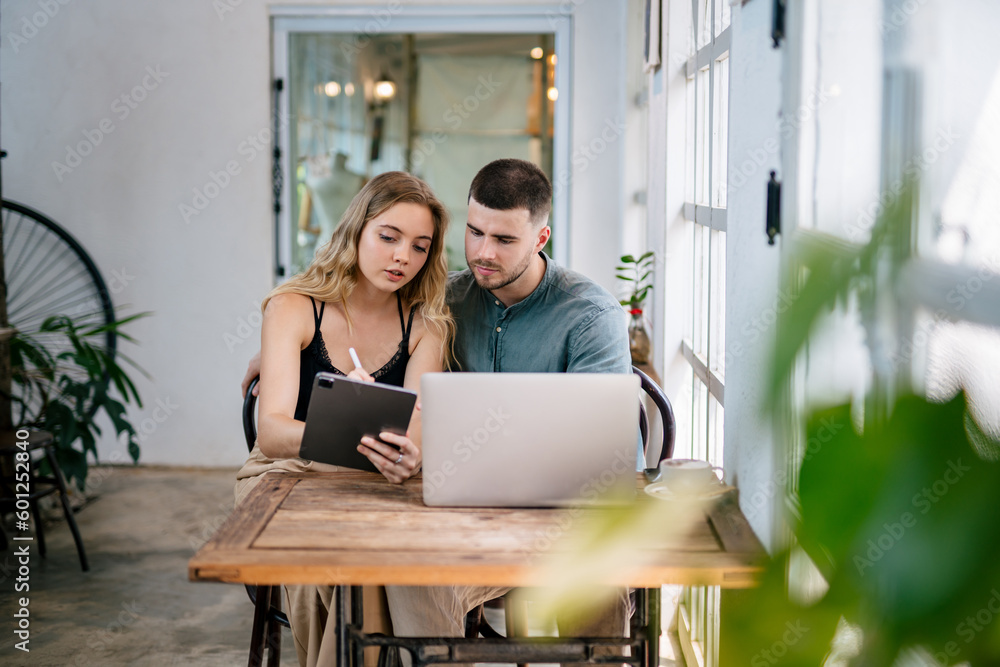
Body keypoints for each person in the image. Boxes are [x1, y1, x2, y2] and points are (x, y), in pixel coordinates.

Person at [242, 158, 632, 660]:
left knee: (596, 570)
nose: (484, 253)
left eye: (505, 240)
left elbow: (606, 451)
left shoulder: (588, 317)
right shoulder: (447, 301)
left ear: (541, 238)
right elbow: (396, 378)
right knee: (409, 571)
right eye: (474, 233)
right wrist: (282, 354)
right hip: (450, 497)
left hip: (553, 508)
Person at [235, 170, 453, 667]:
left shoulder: (426, 325)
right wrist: (350, 425)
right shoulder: (294, 306)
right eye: (388, 237)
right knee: (334, 560)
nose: (403, 256)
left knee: (379, 558)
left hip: (372, 478)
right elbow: (271, 431)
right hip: (284, 474)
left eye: (420, 246)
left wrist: (406, 458)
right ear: (356, 230)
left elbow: (412, 440)